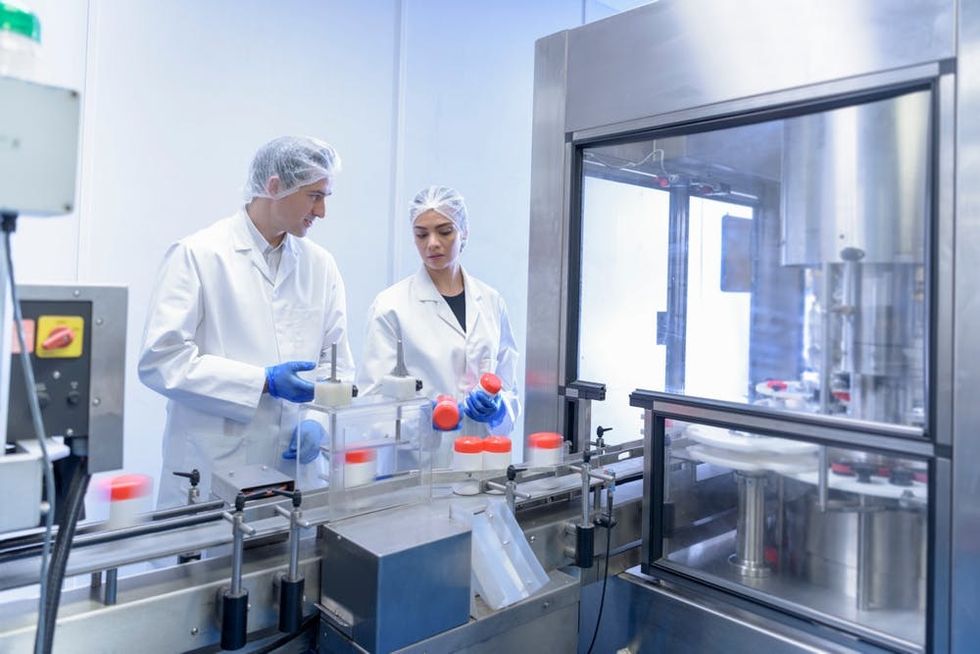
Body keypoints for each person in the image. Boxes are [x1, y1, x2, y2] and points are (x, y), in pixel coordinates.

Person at [139, 136, 354, 507]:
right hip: (211, 473)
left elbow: (338, 365)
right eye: (314, 196)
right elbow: (162, 360)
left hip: (294, 478)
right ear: (275, 186)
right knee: (213, 564)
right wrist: (262, 382)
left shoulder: (321, 266)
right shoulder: (198, 255)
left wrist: (317, 425)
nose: (321, 212)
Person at [357, 185, 520, 434]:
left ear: (464, 232)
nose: (432, 244)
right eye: (421, 235)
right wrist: (423, 418)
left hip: (484, 457)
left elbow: (508, 386)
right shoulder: (391, 306)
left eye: (445, 232)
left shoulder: (491, 301)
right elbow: (372, 400)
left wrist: (499, 409)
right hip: (421, 461)